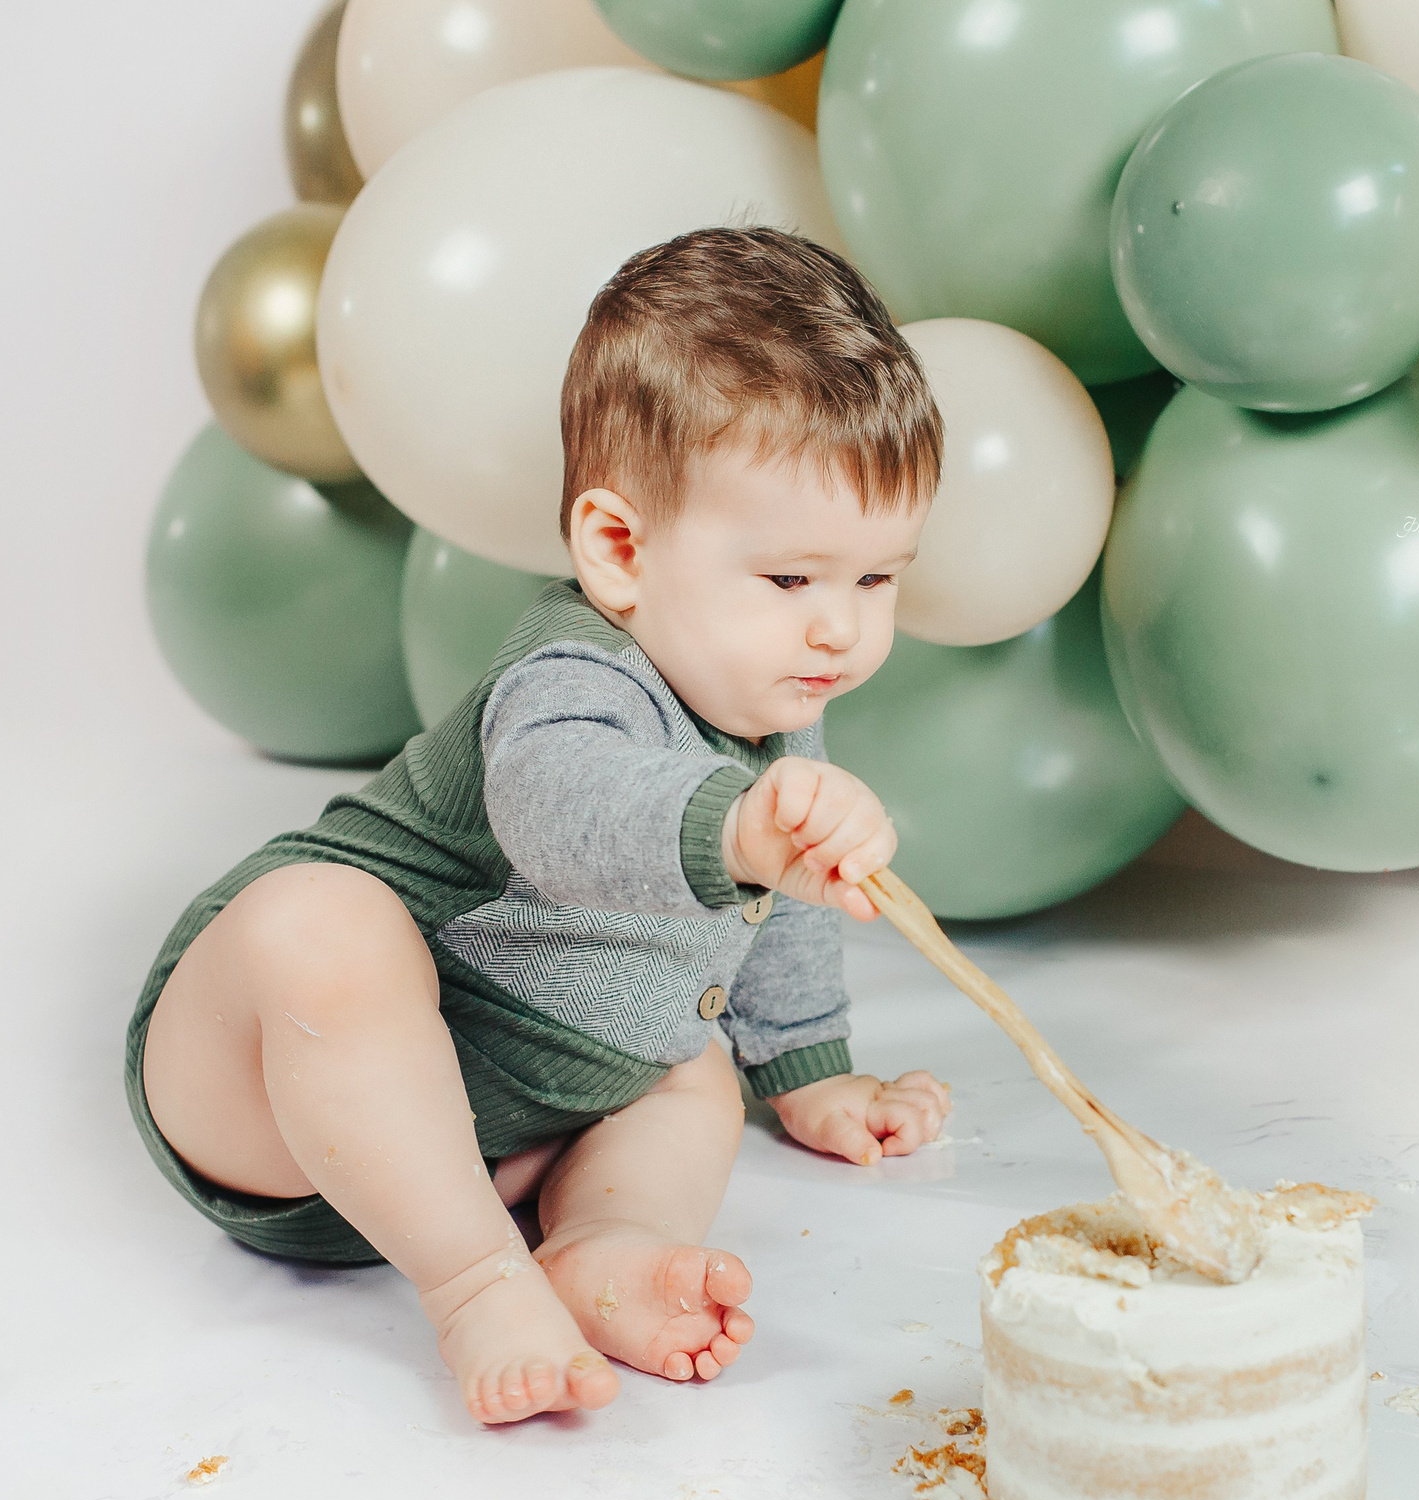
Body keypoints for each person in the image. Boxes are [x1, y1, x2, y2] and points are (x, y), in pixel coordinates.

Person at [124, 226, 953, 1427]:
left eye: (878, 581)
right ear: (620, 550)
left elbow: (766, 920)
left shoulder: (775, 706)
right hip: (266, 1086)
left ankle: (606, 1240)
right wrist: (742, 831)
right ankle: (475, 1282)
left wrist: (810, 1071)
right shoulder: (571, 679)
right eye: (792, 581)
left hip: (501, 1129)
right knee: (320, 921)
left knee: (690, 1077)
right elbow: (567, 812)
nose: (841, 630)